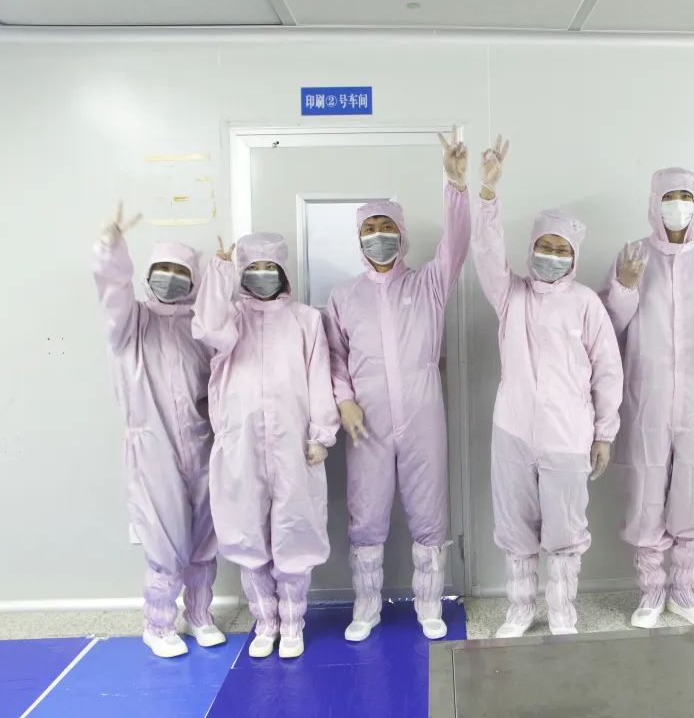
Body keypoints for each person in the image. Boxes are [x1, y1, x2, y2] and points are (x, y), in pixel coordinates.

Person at [471, 136, 623, 638]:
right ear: (532, 248)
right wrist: (488, 196)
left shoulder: (586, 304)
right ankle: (519, 610)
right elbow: (486, 253)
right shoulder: (510, 294)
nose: (552, 256)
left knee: (564, 527)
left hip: (567, 434)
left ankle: (561, 611)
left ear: (573, 256)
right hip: (513, 429)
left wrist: (604, 433)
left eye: (562, 251)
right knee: (515, 526)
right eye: (545, 247)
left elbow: (608, 370)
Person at [324, 127, 471, 643]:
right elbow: (334, 357)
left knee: (429, 509)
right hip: (367, 421)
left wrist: (456, 186)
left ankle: (429, 604)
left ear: (402, 234)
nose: (378, 235)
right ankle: (366, 606)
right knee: (366, 512)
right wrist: (344, 401)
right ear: (359, 238)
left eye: (386, 226)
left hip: (423, 413)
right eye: (369, 228)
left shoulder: (429, 283)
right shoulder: (344, 296)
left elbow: (457, 244)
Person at [600, 168, 694, 628]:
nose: (677, 206)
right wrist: (624, 286)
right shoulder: (633, 255)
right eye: (669, 196)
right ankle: (651, 593)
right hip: (647, 395)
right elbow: (607, 327)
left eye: (685, 197)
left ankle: (684, 590)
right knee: (646, 490)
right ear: (654, 202)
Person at [192, 232, 338, 659]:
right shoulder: (230, 318)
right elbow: (206, 327)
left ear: (283, 272)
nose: (261, 275)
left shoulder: (305, 320)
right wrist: (219, 271)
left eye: (269, 267)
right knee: (245, 526)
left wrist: (321, 433)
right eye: (252, 268)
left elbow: (318, 375)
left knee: (296, 525)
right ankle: (265, 621)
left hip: (294, 441)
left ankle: (292, 622)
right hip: (239, 440)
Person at [92, 202, 224, 659]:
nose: (170, 278)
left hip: (201, 442)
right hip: (152, 445)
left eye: (180, 271)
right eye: (162, 270)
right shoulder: (131, 324)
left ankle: (200, 614)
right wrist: (111, 248)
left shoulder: (198, 328)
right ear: (148, 275)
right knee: (165, 538)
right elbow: (112, 290)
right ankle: (159, 623)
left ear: (194, 279)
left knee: (205, 535)